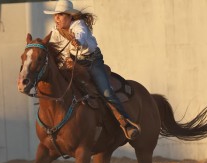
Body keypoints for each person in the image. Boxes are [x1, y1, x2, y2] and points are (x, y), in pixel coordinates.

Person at [43, 0, 140, 140]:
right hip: (74, 64)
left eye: (61, 15)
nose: (56, 18)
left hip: (93, 62)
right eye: (55, 15)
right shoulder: (55, 31)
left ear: (70, 17)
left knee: (106, 92)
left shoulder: (78, 25)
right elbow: (55, 47)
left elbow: (80, 34)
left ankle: (126, 123)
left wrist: (78, 41)